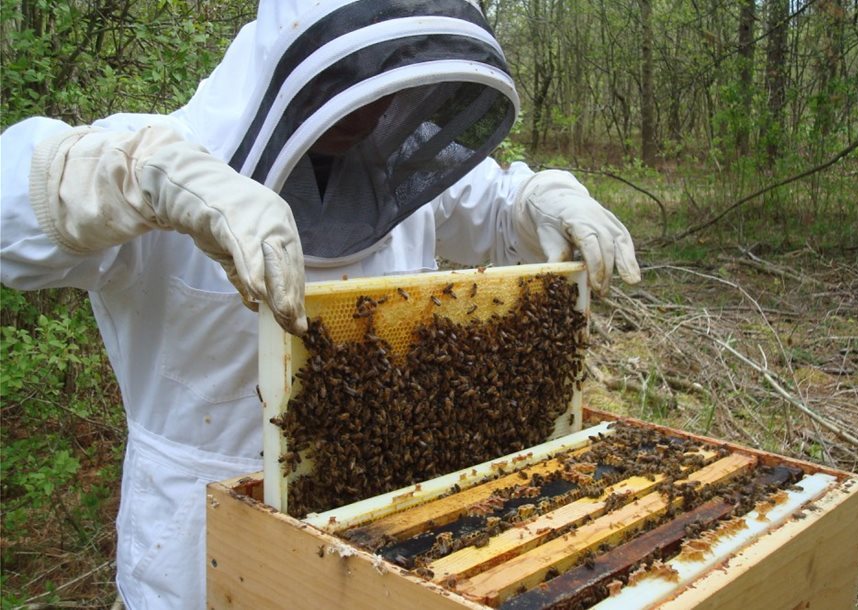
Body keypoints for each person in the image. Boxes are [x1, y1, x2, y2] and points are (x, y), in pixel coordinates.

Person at [0, 1, 640, 608]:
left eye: (388, 69)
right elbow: (13, 211)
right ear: (289, 59)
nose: (370, 98)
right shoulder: (165, 156)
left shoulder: (400, 164)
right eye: (346, 71)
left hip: (379, 539)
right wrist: (134, 180)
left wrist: (539, 199)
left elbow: (493, 201)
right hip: (195, 566)